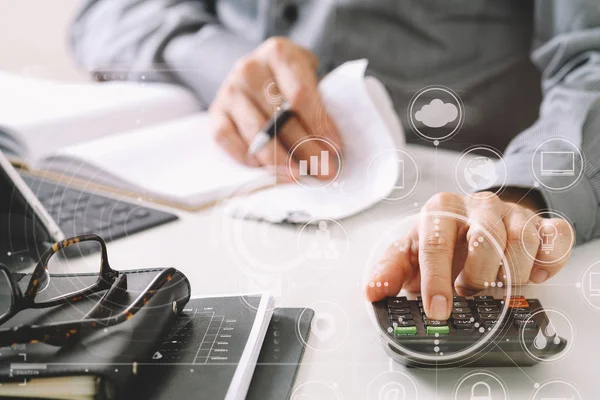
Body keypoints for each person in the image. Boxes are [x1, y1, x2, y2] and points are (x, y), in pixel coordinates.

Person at [70, 0, 600, 320]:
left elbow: (590, 58)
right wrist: (221, 62)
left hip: (452, 206)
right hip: (214, 198)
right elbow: (107, 12)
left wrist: (519, 193)